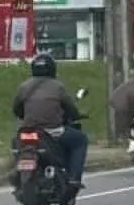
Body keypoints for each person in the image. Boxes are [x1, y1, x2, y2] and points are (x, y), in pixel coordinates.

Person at [11, 53, 89, 187]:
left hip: (27, 131)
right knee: (81, 140)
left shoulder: (24, 87)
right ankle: (74, 178)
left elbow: (17, 109)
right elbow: (70, 108)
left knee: (18, 146)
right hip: (52, 131)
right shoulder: (57, 87)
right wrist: (76, 115)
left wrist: (27, 117)